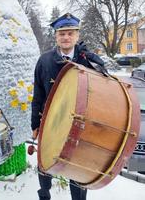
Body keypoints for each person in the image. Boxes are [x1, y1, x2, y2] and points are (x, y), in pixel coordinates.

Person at [31, 13, 104, 200]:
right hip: (51, 121)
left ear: (77, 36)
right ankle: (45, 194)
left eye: (70, 33)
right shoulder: (45, 61)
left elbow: (104, 86)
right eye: (62, 33)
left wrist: (97, 63)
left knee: (77, 168)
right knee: (45, 164)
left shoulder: (86, 59)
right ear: (56, 36)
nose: (66, 37)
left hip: (80, 123)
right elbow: (38, 94)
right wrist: (35, 125)